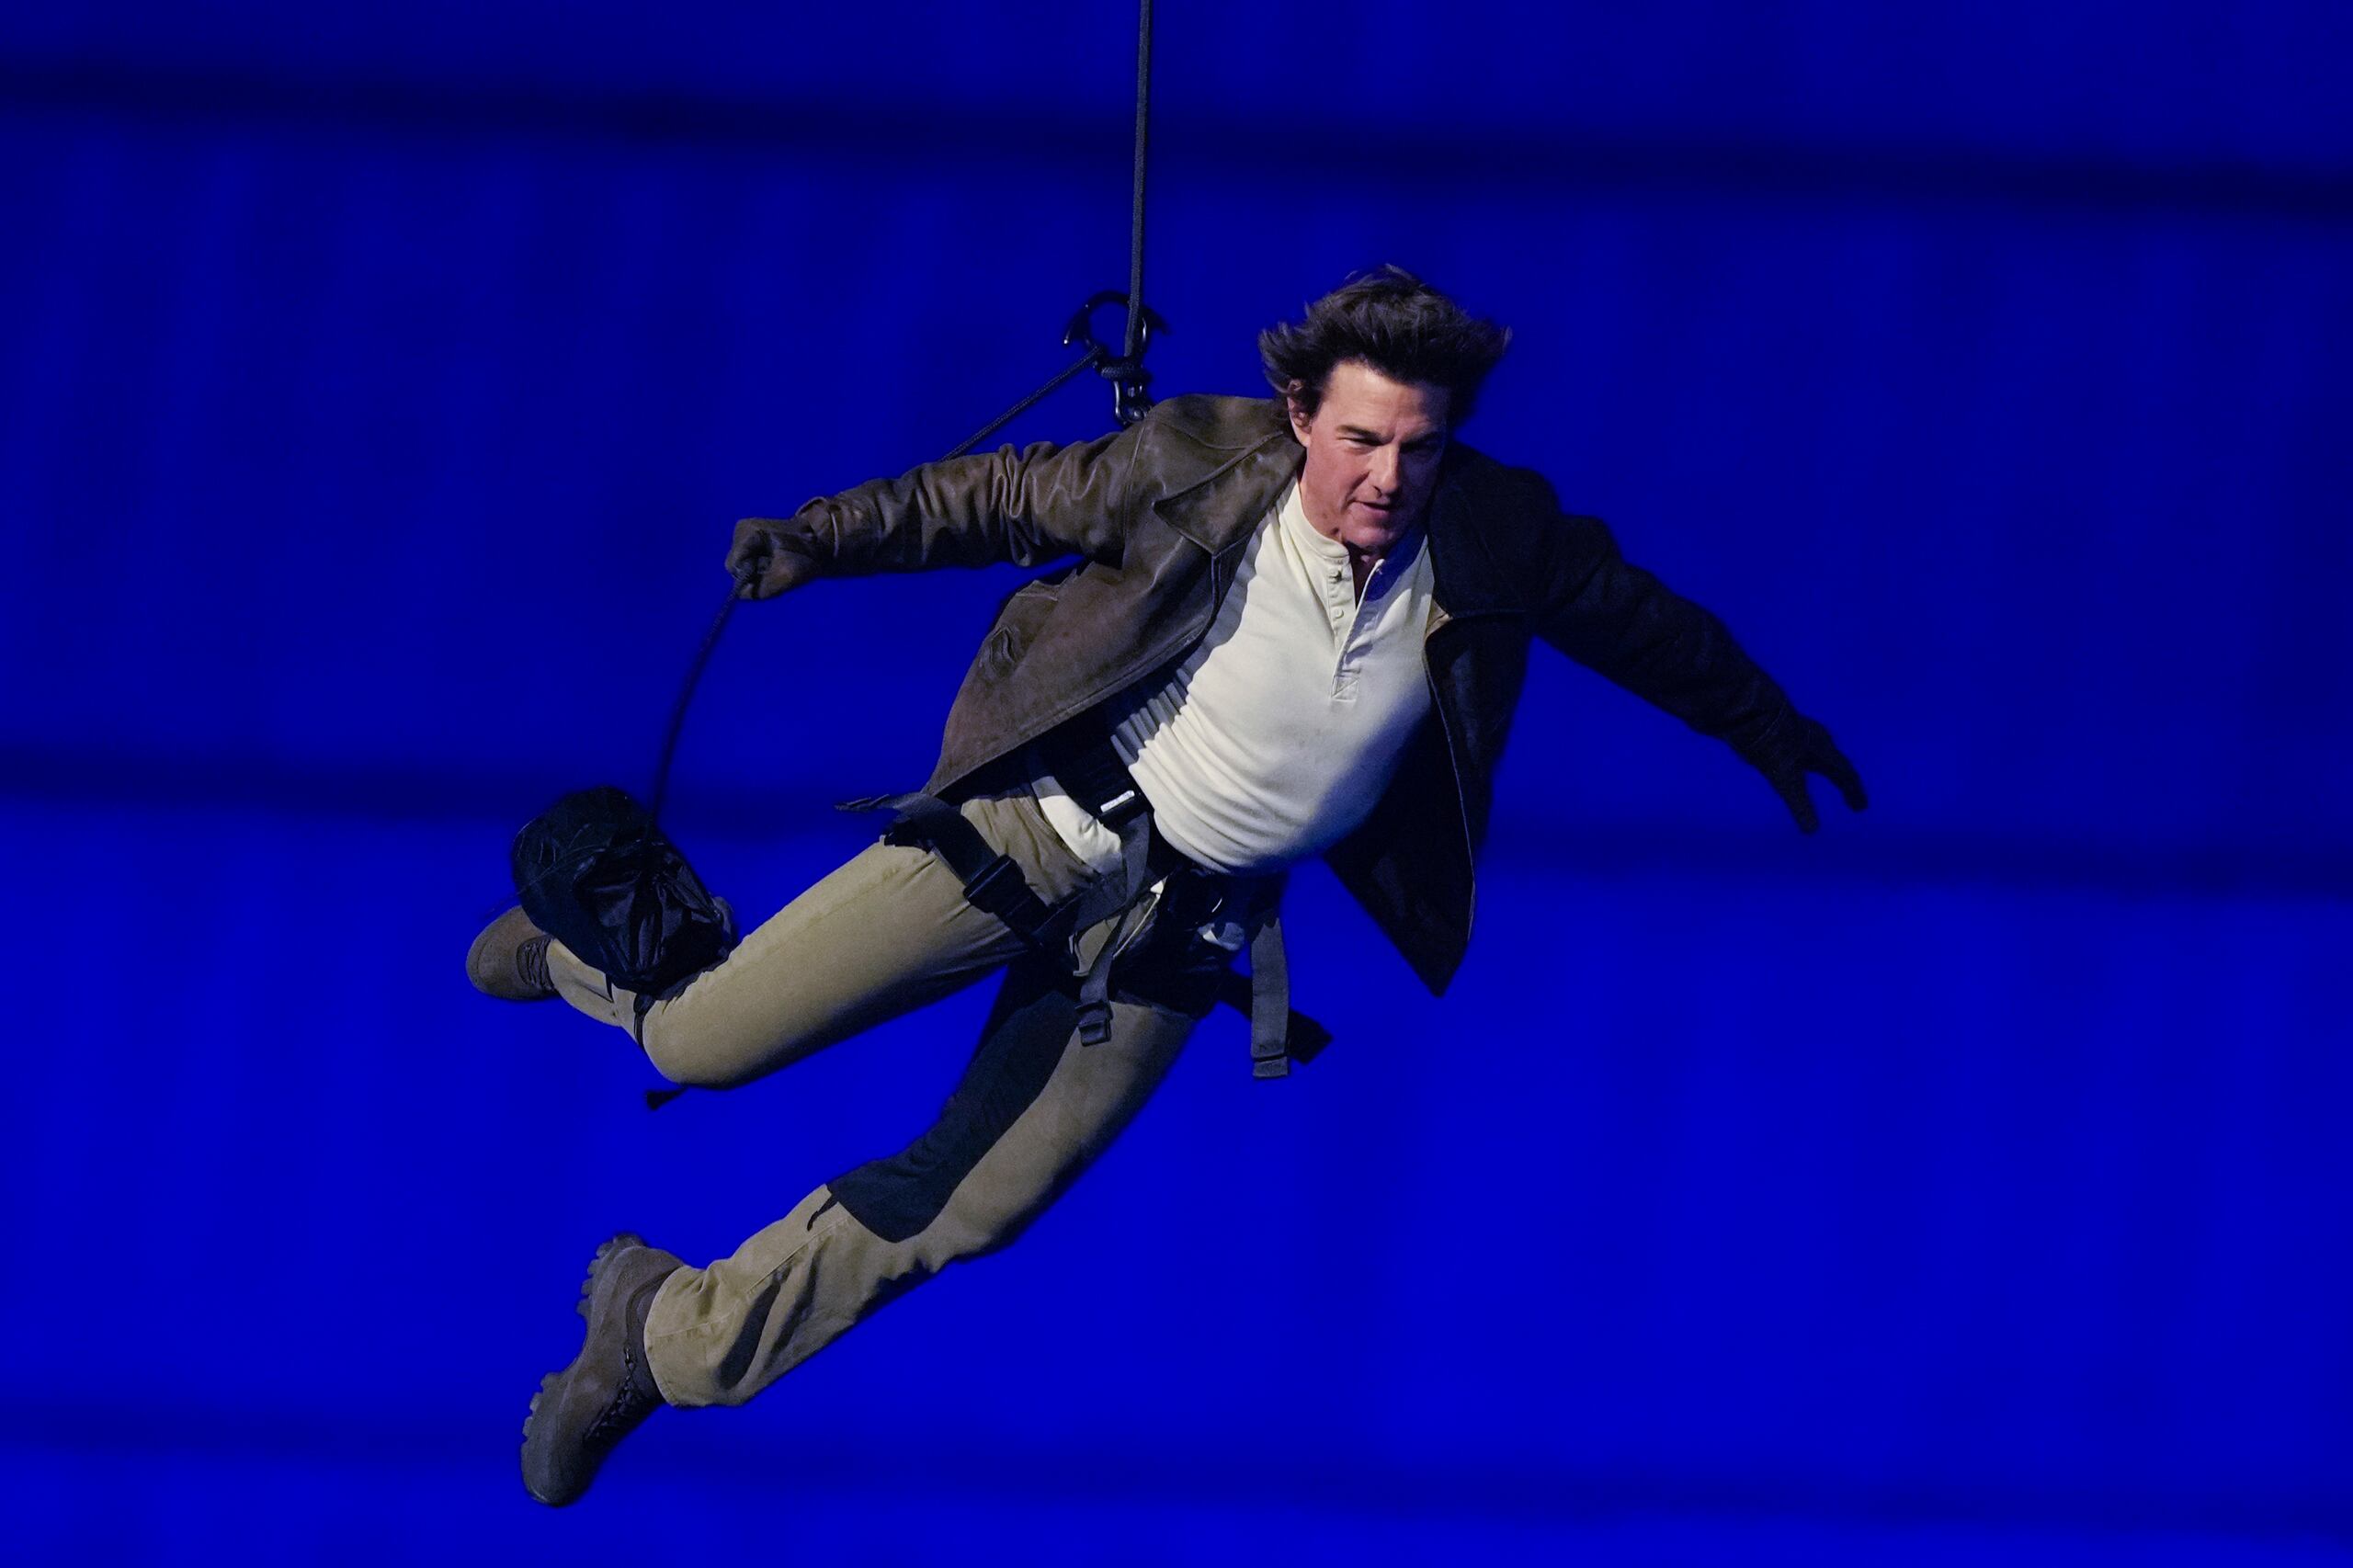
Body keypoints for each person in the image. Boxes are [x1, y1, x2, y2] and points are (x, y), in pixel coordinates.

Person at [469, 267, 1867, 1506]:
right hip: (1033, 835)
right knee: (703, 1039)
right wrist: (823, 537)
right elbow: (1001, 496)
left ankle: (662, 1336)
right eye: (1363, 436)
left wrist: (1764, 722)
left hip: (1182, 927)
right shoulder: (1199, 459)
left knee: (981, 1202)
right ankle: (576, 961)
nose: (1388, 474)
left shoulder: (1492, 532)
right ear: (1301, 412)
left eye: (1419, 446)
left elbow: (1638, 619)